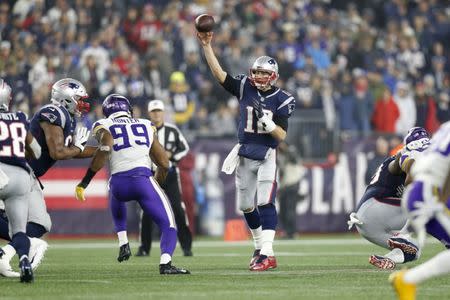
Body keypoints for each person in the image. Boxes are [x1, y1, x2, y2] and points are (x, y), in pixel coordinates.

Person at [197, 31, 296, 271]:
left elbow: (282, 135)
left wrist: (270, 125)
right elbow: (219, 75)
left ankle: (268, 253)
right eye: (257, 72)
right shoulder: (244, 87)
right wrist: (207, 46)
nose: (260, 76)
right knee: (245, 206)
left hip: (267, 154)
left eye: (264, 73)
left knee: (265, 201)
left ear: (273, 76)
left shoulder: (282, 99)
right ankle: (258, 246)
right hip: (244, 152)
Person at [75, 94, 190, 275]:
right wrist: (155, 185)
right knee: (169, 225)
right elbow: (164, 163)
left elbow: (102, 149)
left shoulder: (102, 124)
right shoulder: (146, 124)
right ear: (128, 109)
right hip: (142, 180)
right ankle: (165, 263)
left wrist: (84, 181)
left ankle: (123, 241)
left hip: (119, 184)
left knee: (113, 189)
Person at [0, 78, 93, 277]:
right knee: (16, 222)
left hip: (27, 174)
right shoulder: (52, 113)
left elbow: (70, 151)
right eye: (78, 98)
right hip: (14, 169)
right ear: (66, 98)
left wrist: (103, 150)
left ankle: (5, 253)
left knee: (40, 224)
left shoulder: (67, 117)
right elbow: (58, 152)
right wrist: (79, 147)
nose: (83, 103)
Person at [348, 127, 430, 270]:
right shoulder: (403, 156)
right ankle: (403, 235)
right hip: (374, 207)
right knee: (427, 201)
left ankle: (388, 259)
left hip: (367, 225)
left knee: (413, 251)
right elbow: (397, 165)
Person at [390, 121, 450, 300]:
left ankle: (407, 280)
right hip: (429, 196)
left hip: (424, 194)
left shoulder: (445, 127)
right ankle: (407, 279)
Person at [135, 99, 192, 257]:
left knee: (178, 210)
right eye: (154, 111)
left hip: (170, 173)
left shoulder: (172, 130)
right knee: (146, 211)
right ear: (149, 113)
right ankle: (144, 248)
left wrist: (172, 156)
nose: (157, 114)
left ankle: (187, 246)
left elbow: (184, 148)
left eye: (159, 111)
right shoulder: (142, 129)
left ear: (163, 112)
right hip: (151, 174)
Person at [0, 79, 41, 282]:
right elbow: (37, 150)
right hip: (19, 176)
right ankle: (24, 260)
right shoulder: (19, 117)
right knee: (18, 231)